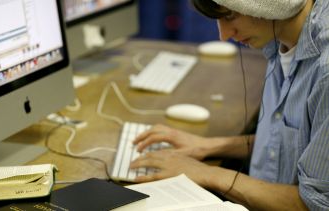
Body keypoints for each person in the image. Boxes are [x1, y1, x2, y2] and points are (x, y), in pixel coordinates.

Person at [129, 0, 329, 210]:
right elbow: (292, 143)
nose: (224, 35)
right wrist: (210, 146)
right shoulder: (281, 37)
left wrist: (206, 173)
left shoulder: (324, 70)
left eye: (230, 16)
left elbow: (315, 204)